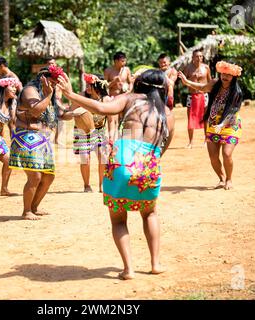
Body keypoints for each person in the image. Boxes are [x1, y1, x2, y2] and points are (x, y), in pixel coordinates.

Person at [58, 69, 169, 280]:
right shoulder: (166, 113)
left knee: (118, 220)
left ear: (140, 84)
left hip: (120, 164)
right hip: (148, 165)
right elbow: (162, 148)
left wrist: (71, 95)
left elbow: (101, 107)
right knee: (150, 214)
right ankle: (155, 264)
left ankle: (128, 269)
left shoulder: (129, 98)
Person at [10, 65, 72, 220]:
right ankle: (26, 211)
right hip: (26, 136)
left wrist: (76, 102)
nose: (55, 85)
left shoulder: (48, 95)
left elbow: (63, 115)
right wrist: (49, 94)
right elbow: (36, 110)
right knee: (35, 177)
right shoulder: (30, 90)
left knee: (48, 176)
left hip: (42, 140)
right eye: (53, 81)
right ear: (43, 78)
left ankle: (34, 207)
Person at [178, 61, 243, 190]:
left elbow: (232, 112)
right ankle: (221, 179)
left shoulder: (236, 91)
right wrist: (187, 82)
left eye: (228, 75)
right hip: (213, 124)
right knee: (213, 157)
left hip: (230, 124)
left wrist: (222, 124)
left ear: (234, 77)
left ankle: (229, 180)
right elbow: (202, 88)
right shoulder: (214, 84)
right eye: (223, 74)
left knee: (227, 154)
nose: (225, 77)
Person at [70, 73, 111, 193]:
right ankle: (86, 185)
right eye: (87, 84)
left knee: (103, 157)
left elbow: (112, 120)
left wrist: (112, 136)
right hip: (83, 131)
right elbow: (72, 111)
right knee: (85, 159)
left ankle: (102, 184)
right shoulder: (82, 96)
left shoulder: (106, 100)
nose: (87, 86)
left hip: (100, 131)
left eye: (90, 85)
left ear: (98, 86)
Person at [183, 49, 211, 148]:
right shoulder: (188, 68)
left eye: (200, 56)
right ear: (193, 58)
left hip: (204, 95)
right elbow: (183, 81)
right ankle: (190, 142)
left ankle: (206, 140)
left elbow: (210, 82)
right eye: (197, 56)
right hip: (191, 95)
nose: (199, 58)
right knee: (190, 119)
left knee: (205, 118)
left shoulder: (206, 68)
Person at [104, 52, 134, 144]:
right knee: (112, 120)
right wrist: (114, 81)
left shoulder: (127, 70)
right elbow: (104, 86)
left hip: (125, 98)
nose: (124, 63)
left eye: (125, 61)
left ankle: (124, 140)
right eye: (122, 61)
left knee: (125, 119)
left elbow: (131, 82)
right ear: (116, 61)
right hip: (113, 98)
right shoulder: (108, 71)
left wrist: (129, 90)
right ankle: (111, 139)